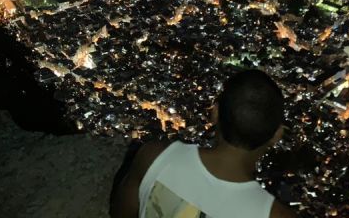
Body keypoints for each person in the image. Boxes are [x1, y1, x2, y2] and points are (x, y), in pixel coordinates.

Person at [110, 69, 296, 218]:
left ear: (215, 113)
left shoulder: (155, 157)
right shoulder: (274, 214)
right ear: (277, 135)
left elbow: (121, 212)